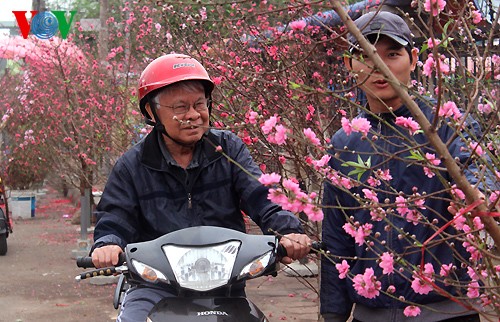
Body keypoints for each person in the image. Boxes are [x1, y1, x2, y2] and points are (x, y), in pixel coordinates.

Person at [91, 53, 311, 321]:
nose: (194, 115)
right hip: (155, 285)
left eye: (200, 104)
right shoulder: (132, 166)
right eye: (180, 107)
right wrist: (108, 244)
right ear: (151, 111)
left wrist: (287, 230)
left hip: (224, 284)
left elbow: (260, 196)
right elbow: (115, 217)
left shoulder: (228, 150)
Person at [320, 11, 488, 322]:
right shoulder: (344, 143)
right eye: (367, 56)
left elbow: (480, 175)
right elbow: (335, 238)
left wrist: (480, 193)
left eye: (392, 54)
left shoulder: (446, 127)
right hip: (372, 313)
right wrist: (332, 314)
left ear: (413, 59)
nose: (379, 68)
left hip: (446, 310)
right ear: (348, 64)